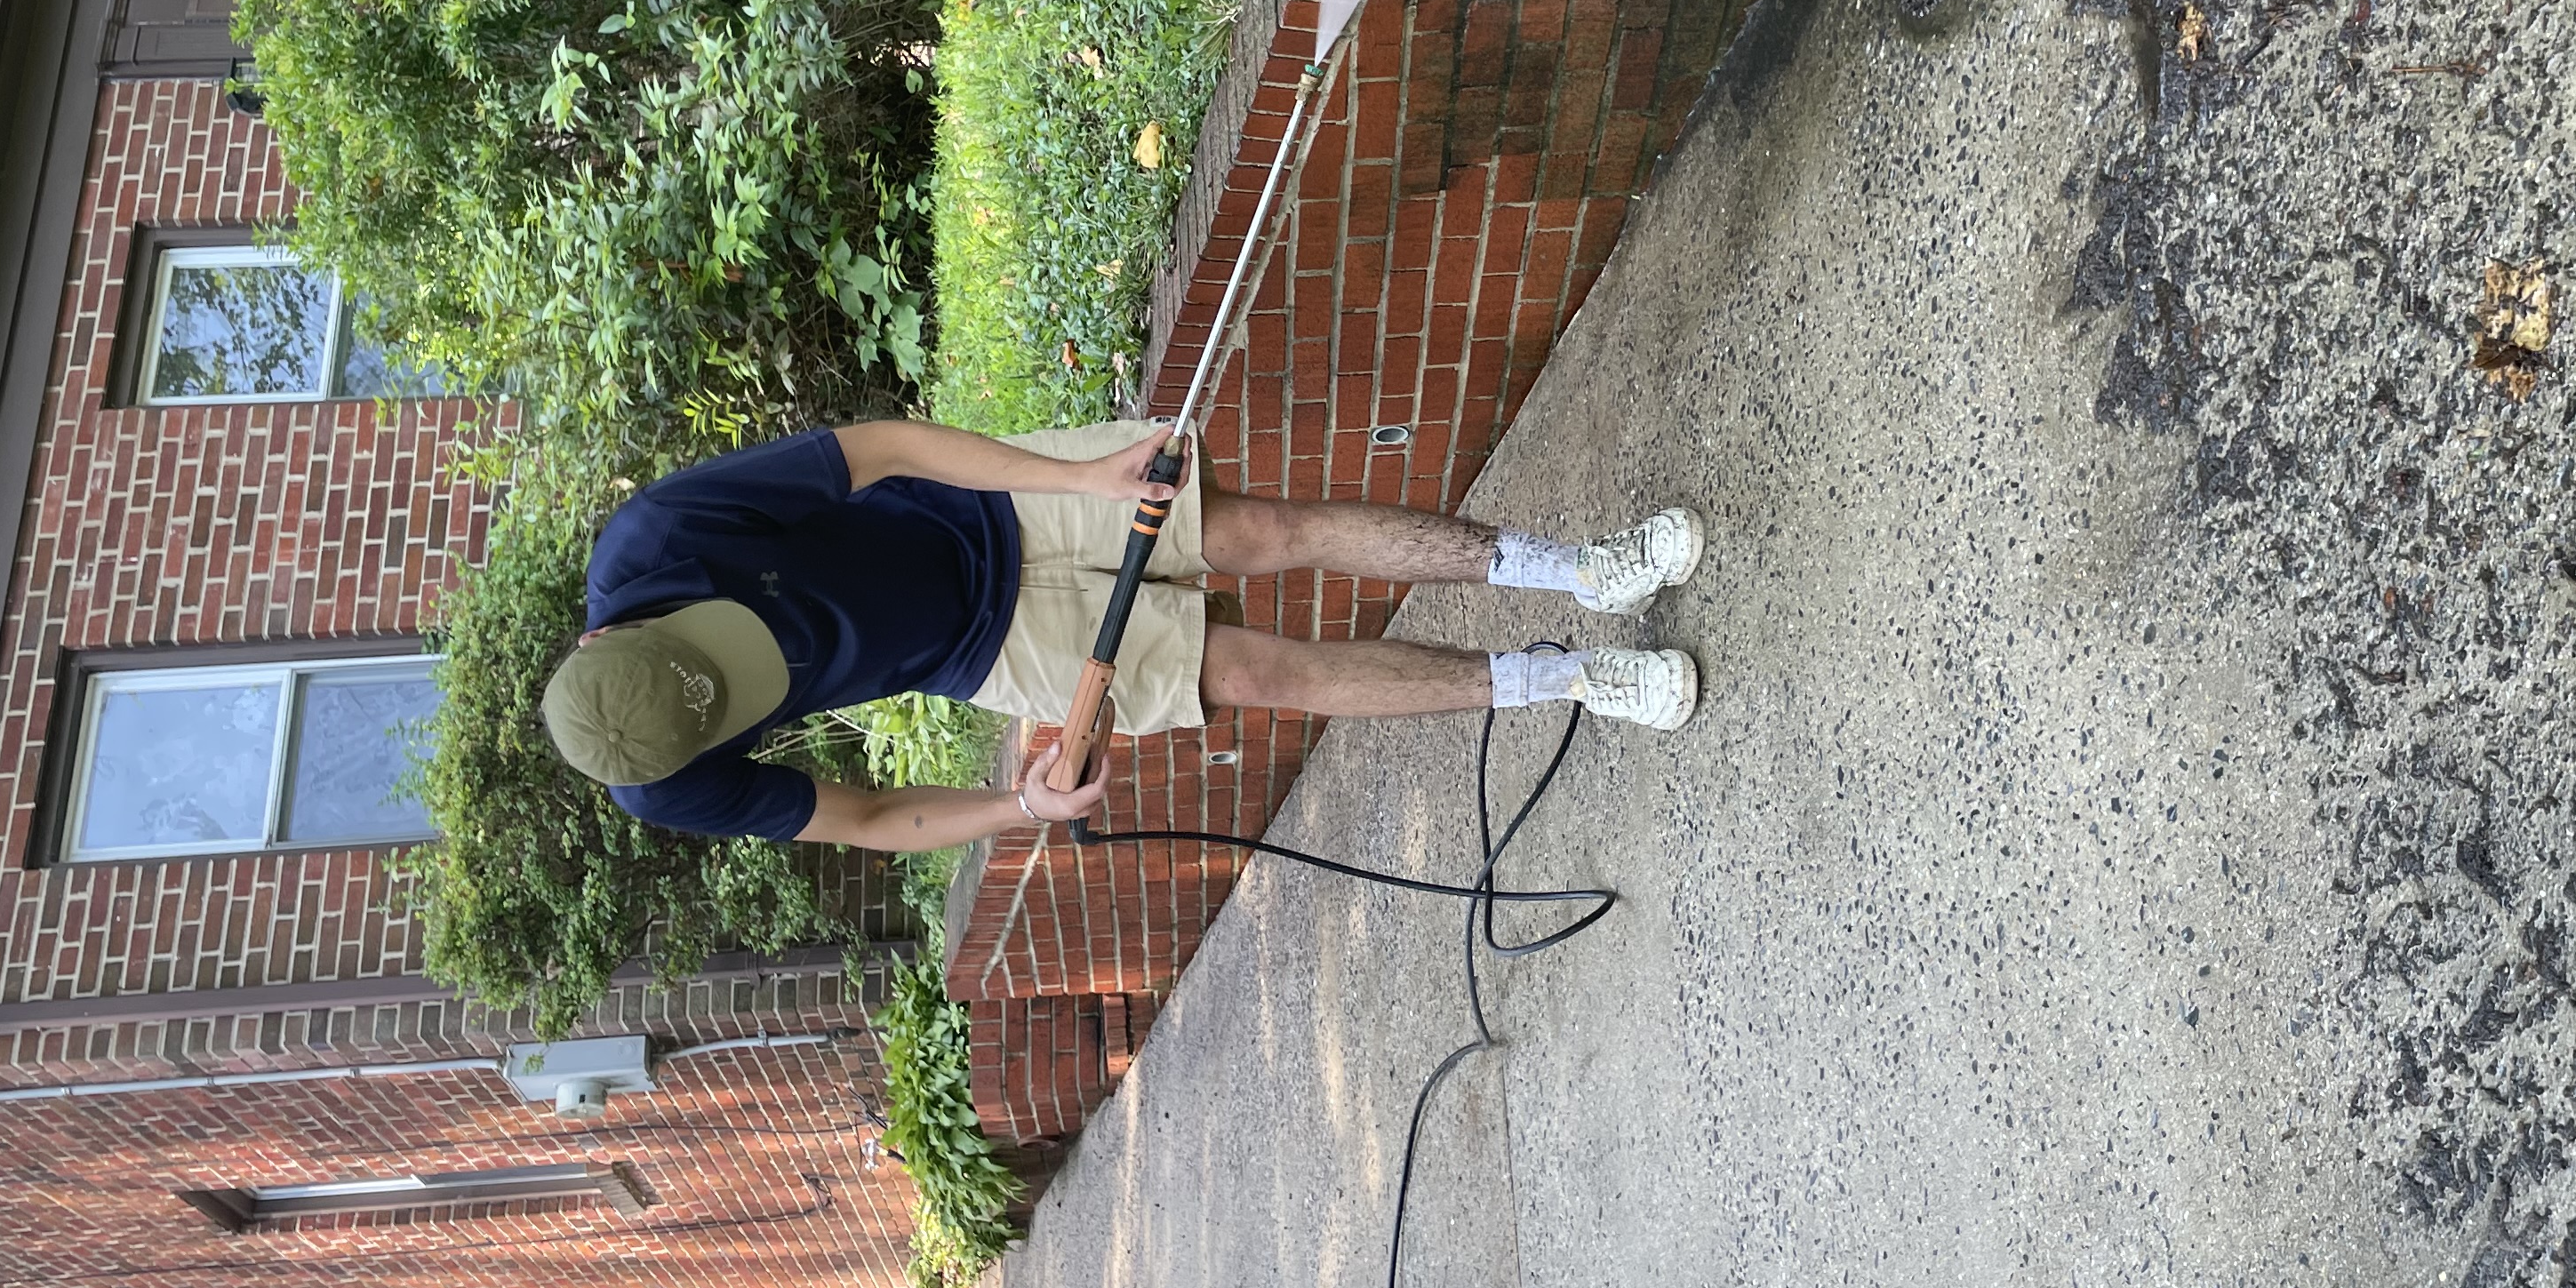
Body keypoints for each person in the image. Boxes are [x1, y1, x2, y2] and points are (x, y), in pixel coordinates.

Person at [535, 416, 1703, 851]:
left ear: (609, 634)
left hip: (987, 505)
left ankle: (1583, 571)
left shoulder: (656, 536)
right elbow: (871, 818)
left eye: (714, 654)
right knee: (1265, 671)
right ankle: (1578, 675)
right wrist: (1020, 807)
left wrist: (1088, 477)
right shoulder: (667, 783)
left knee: (1264, 533)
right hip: (978, 652)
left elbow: (882, 448)